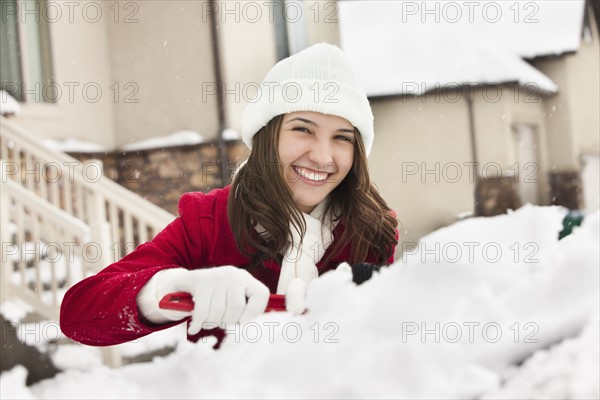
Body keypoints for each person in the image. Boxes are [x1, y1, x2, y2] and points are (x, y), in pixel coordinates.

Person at [60, 43, 398, 347]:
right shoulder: (210, 222)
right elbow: (78, 315)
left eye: (342, 138)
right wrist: (179, 286)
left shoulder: (371, 230)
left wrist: (371, 300)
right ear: (268, 135)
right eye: (303, 129)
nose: (323, 157)